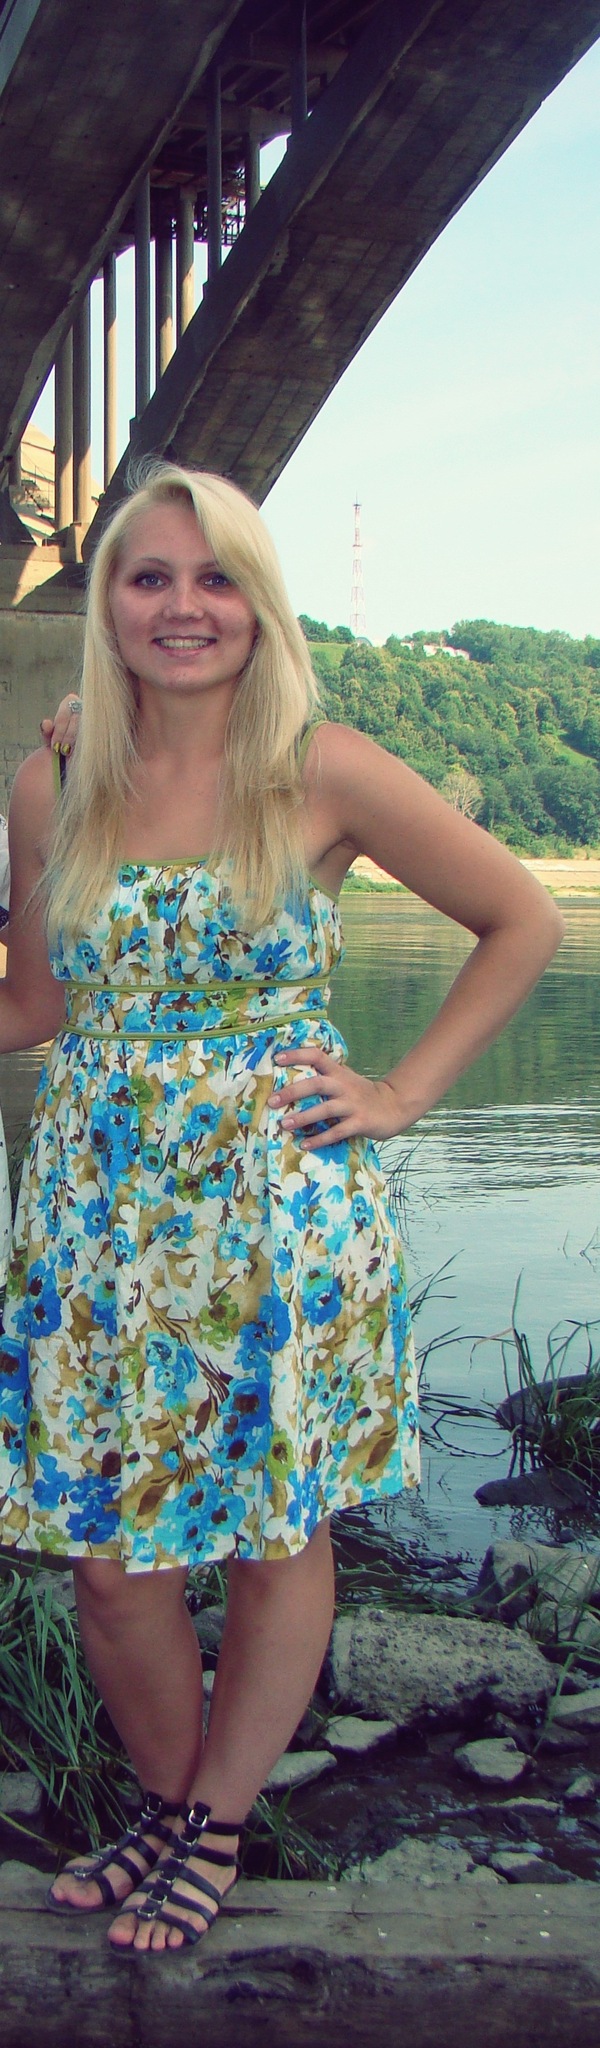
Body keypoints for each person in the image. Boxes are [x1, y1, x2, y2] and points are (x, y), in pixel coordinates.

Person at [0, 463, 563, 1957]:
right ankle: (173, 1804)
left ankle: (209, 1826)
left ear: (260, 604)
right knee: (110, 1562)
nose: (183, 607)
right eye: (149, 577)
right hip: (98, 1221)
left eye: (217, 578)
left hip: (275, 1210)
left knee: (271, 1530)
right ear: (108, 604)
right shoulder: (54, 784)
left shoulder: (323, 769)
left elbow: (521, 917)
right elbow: (35, 1008)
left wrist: (401, 1093)